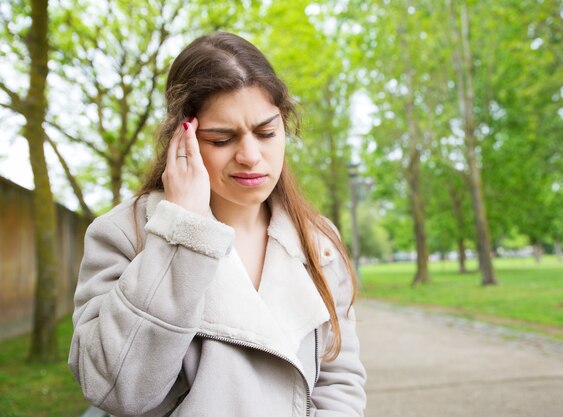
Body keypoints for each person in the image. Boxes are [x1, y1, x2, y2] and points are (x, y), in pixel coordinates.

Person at [68, 32, 367, 417]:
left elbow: (339, 381)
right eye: (222, 139)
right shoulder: (126, 233)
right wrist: (183, 231)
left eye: (266, 132)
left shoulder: (318, 239)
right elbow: (116, 388)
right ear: (182, 138)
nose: (250, 156)